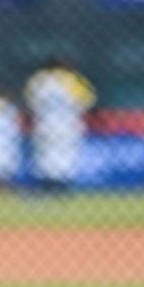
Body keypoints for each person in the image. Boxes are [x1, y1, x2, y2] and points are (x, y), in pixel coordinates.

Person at [23, 58, 96, 193]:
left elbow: (30, 102)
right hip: (68, 124)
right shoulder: (73, 79)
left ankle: (46, 185)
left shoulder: (39, 79)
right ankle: (62, 186)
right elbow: (88, 100)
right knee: (66, 154)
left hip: (44, 124)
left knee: (44, 155)